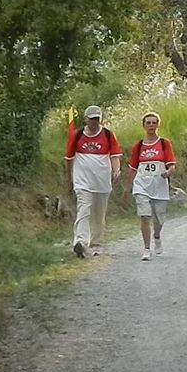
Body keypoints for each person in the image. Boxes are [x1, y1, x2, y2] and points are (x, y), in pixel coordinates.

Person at [65, 105, 122, 258]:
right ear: (85, 119)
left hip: (102, 182)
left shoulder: (108, 135)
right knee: (83, 209)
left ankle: (96, 244)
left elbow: (115, 155)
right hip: (82, 181)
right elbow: (69, 159)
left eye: (97, 119)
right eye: (92, 119)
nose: (94, 122)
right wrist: (69, 178)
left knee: (98, 214)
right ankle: (81, 242)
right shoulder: (76, 136)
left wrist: (116, 170)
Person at [124, 112, 177, 261]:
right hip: (141, 184)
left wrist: (168, 172)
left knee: (159, 219)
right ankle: (146, 248)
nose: (151, 125)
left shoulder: (164, 143)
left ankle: (157, 235)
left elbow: (172, 164)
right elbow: (133, 168)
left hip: (159, 185)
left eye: (154, 123)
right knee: (145, 215)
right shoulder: (139, 145)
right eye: (148, 123)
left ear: (158, 125)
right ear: (144, 125)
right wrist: (127, 189)